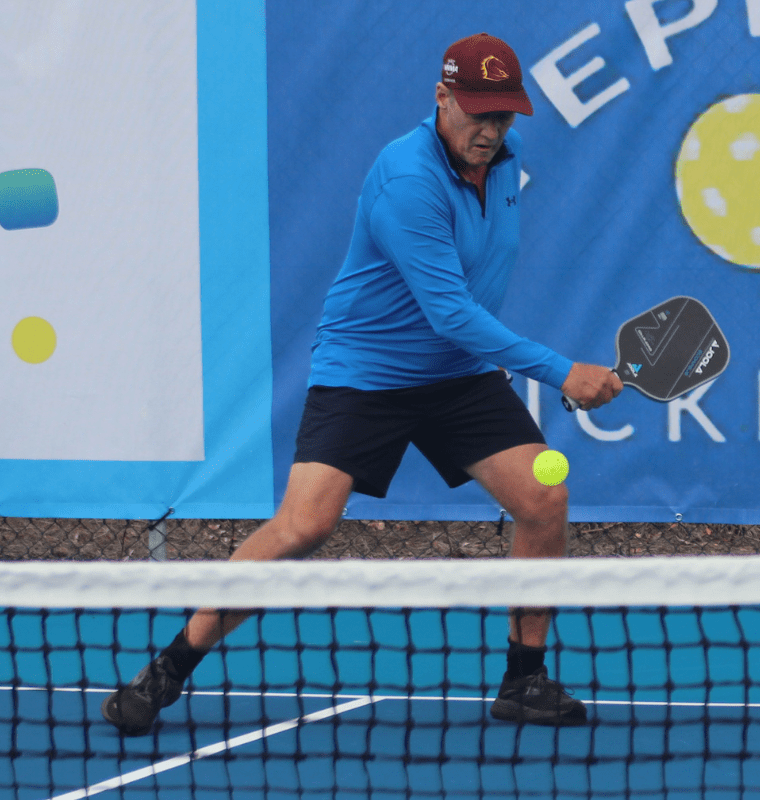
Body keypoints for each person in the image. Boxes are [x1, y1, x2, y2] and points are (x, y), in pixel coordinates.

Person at [101, 32, 623, 736]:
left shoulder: (506, 158)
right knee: (304, 524)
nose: (491, 130)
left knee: (543, 496)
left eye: (503, 115)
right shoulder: (407, 181)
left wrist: (499, 358)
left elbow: (476, 287)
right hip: (368, 371)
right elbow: (449, 311)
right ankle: (171, 665)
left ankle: (524, 679)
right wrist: (561, 371)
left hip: (457, 373)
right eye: (478, 113)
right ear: (442, 99)